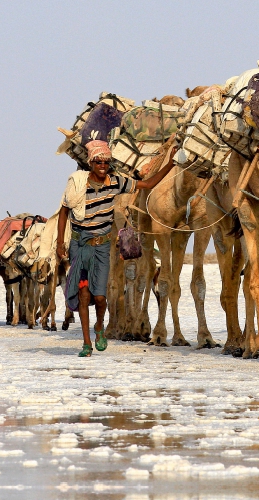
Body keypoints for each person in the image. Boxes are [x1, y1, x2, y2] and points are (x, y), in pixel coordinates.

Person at [56, 139, 178, 357]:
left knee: (100, 298)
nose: (102, 165)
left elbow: (148, 185)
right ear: (91, 164)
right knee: (84, 294)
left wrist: (170, 163)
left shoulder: (116, 182)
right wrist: (59, 243)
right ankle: (86, 343)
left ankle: (99, 327)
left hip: (101, 248)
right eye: (98, 162)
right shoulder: (77, 184)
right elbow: (64, 211)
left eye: (105, 162)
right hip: (79, 244)